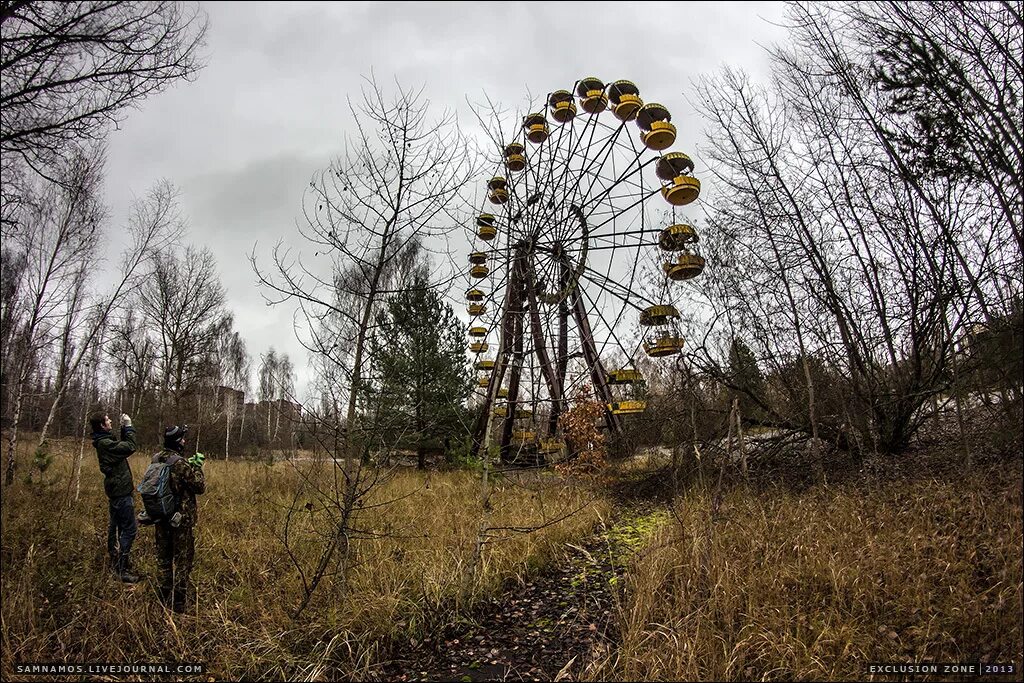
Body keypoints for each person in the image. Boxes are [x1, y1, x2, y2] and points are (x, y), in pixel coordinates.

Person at [146, 424, 205, 613]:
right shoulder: (180, 463)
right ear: (177, 441)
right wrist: (197, 467)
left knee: (163, 558)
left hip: (160, 516)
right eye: (182, 438)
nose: (185, 441)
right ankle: (178, 600)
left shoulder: (156, 458)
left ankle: (163, 596)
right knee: (182, 559)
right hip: (180, 520)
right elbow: (199, 487)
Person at [89, 411, 141, 583]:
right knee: (129, 529)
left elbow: (121, 445)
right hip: (120, 492)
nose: (110, 420)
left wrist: (123, 429)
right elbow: (130, 447)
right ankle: (120, 568)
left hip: (118, 491)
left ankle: (116, 560)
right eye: (107, 420)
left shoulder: (104, 441)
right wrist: (128, 426)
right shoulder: (104, 443)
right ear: (102, 425)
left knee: (117, 527)